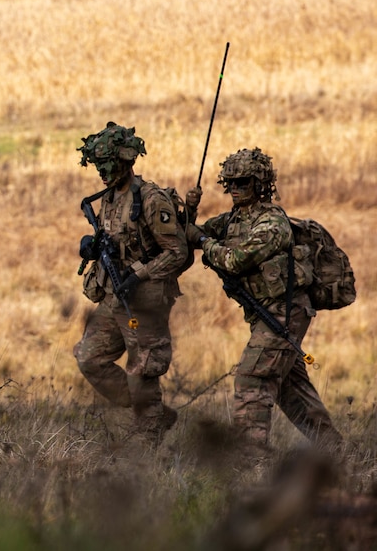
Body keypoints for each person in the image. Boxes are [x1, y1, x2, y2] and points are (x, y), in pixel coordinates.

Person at [184, 148, 341, 453]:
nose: (234, 189)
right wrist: (189, 213)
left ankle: (251, 460)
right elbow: (188, 235)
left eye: (241, 182)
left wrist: (203, 241)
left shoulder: (273, 223)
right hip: (265, 314)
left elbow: (236, 259)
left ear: (259, 183)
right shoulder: (232, 220)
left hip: (285, 312)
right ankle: (336, 453)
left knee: (252, 379)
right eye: (228, 183)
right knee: (289, 388)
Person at [74, 122, 189, 442]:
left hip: (145, 297)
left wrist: (139, 274)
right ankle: (152, 412)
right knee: (89, 357)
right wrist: (93, 246)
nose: (102, 172)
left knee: (144, 367)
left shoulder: (151, 200)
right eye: (98, 166)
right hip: (113, 294)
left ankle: (148, 430)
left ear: (126, 161)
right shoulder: (109, 198)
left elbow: (176, 252)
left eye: (108, 164)